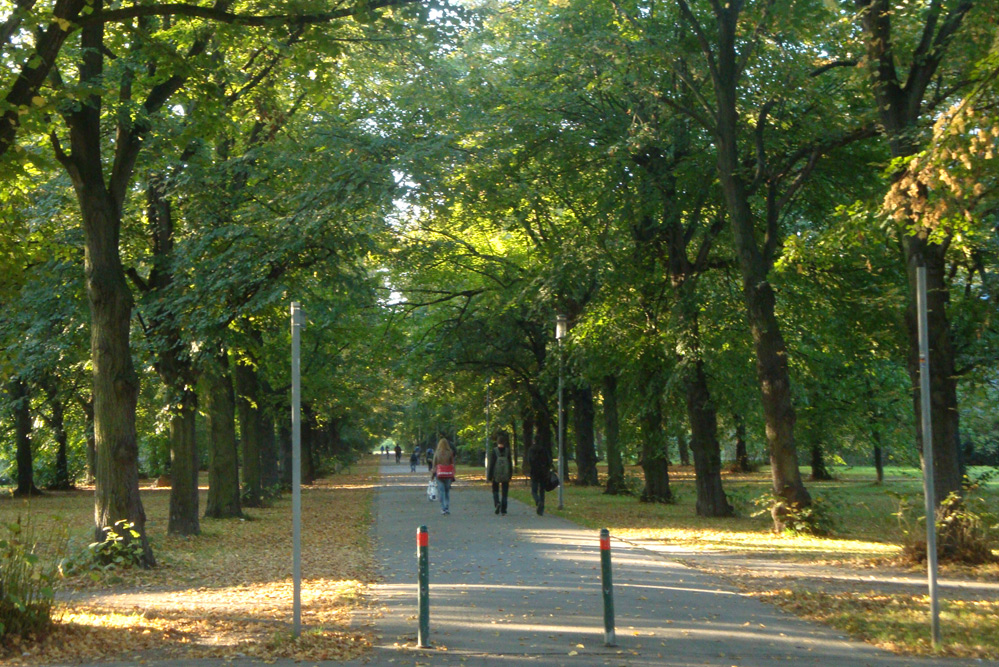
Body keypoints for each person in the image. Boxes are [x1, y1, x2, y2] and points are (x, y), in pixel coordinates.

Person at [487, 431, 513, 515]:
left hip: (496, 474)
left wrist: (490, 476)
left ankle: (497, 503)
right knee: (505, 492)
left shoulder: (494, 451)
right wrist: (510, 474)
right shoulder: (507, 451)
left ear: (497, 442)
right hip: (505, 474)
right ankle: (504, 509)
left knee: (495, 490)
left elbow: (492, 464)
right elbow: (510, 463)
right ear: (504, 442)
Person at [432, 437, 456, 515]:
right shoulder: (450, 452)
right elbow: (452, 463)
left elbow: (434, 464)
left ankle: (443, 508)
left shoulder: (437, 453)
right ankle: (447, 507)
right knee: (447, 491)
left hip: (439, 474)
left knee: (441, 491)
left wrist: (433, 474)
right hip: (448, 474)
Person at [528, 441, 552, 516]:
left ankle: (538, 501)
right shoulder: (544, 449)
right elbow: (549, 460)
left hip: (534, 472)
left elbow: (529, 461)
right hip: (543, 472)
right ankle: (541, 509)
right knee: (542, 490)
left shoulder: (531, 450)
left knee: (534, 490)